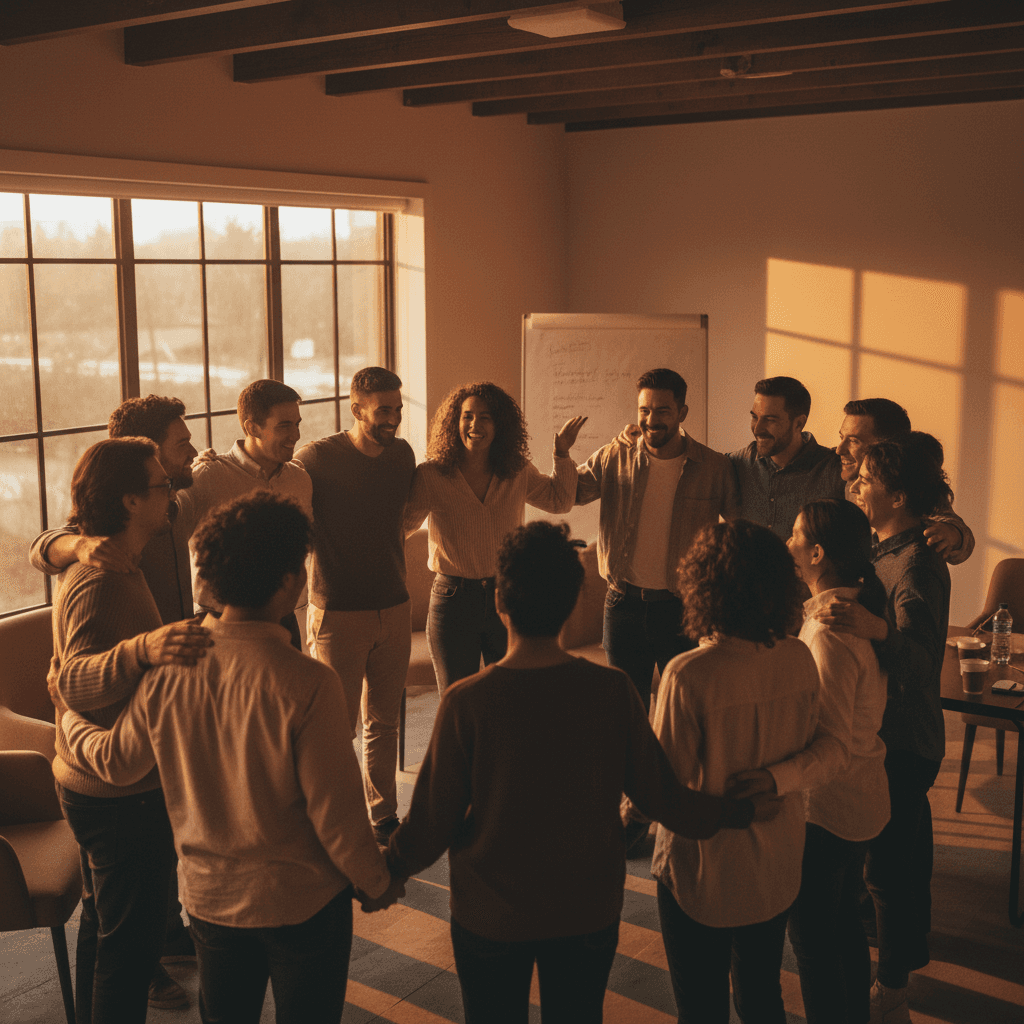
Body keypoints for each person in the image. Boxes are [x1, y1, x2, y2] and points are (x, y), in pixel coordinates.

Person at [386, 521, 778, 1024]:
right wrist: (741, 810)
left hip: (491, 911)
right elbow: (665, 800)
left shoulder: (468, 702)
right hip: (586, 907)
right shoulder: (611, 691)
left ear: (500, 604)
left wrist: (386, 873)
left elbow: (429, 825)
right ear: (573, 604)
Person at [62, 491, 403, 1024]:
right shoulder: (309, 682)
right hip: (303, 902)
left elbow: (116, 763)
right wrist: (378, 882)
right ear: (291, 582)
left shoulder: (169, 668)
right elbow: (336, 817)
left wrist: (68, 720)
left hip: (210, 899)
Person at [28, 395, 202, 1005]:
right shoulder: (100, 572)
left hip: (111, 775)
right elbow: (73, 681)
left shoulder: (122, 556)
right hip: (113, 788)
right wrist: (146, 650)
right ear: (130, 499)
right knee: (127, 951)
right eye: (159, 481)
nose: (169, 492)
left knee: (109, 931)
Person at [651, 518, 819, 1024]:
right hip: (778, 862)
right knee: (763, 995)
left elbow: (665, 790)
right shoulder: (799, 658)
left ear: (702, 585)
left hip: (705, 871)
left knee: (701, 1007)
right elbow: (808, 749)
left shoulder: (688, 674)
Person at [734, 499, 891, 1024]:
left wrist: (774, 778)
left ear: (818, 553)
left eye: (796, 536)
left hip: (830, 809)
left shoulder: (828, 631)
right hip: (859, 801)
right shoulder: (854, 613)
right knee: (842, 926)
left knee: (816, 944)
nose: (787, 544)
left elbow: (832, 745)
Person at [819, 433, 952, 1023]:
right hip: (883, 733)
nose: (854, 486)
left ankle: (892, 990)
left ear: (897, 495)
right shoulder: (882, 549)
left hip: (904, 739)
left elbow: (922, 662)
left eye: (865, 480)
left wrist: (875, 630)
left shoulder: (918, 562)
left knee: (889, 874)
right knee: (878, 866)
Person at [296, 366, 416, 845]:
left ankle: (383, 817)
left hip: (395, 606)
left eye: (398, 409)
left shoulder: (402, 455)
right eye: (383, 410)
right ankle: (334, 824)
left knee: (383, 723)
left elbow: (401, 518)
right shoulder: (317, 459)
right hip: (337, 613)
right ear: (356, 408)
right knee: (334, 728)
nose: (393, 419)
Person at [574, 368, 737, 712]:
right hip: (622, 606)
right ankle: (633, 768)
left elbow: (740, 535)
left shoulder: (713, 467)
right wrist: (561, 453)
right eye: (644, 411)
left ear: (682, 413)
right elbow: (567, 494)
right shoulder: (614, 456)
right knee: (625, 710)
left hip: (683, 608)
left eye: (662, 411)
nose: (651, 420)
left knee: (685, 710)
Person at [406, 381, 584, 693]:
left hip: (508, 595)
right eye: (467, 416)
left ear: (500, 425)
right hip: (453, 601)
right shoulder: (432, 475)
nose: (475, 425)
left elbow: (559, 501)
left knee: (510, 693)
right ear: (455, 422)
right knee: (456, 697)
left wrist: (562, 452)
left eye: (485, 417)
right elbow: (401, 528)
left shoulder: (515, 470)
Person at [30, 394, 199, 627]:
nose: (194, 452)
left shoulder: (179, 502)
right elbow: (40, 548)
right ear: (150, 452)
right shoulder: (122, 516)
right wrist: (80, 545)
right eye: (182, 444)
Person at [177, 379, 312, 648]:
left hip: (283, 619)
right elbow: (167, 533)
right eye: (284, 426)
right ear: (252, 427)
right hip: (219, 621)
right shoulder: (207, 477)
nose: (296, 435)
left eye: (297, 424)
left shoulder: (300, 480)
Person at [837, 397, 974, 564]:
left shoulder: (911, 485)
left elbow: (956, 531)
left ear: (888, 448)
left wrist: (954, 534)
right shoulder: (837, 464)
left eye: (853, 441)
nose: (839, 450)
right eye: (841, 437)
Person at [728, 375, 845, 540]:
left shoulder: (835, 470)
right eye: (755, 417)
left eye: (770, 420)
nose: (758, 429)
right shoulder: (738, 463)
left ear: (799, 423)